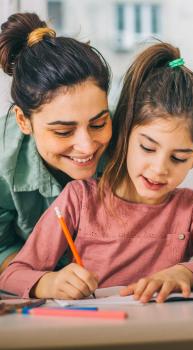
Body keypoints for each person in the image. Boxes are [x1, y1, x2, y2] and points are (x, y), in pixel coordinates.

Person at [0, 42, 193, 303]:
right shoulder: (79, 199)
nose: (160, 169)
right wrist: (49, 282)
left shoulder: (191, 209)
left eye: (179, 157)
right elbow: (12, 273)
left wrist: (185, 273)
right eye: (148, 148)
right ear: (125, 135)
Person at [0, 13, 112, 273]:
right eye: (63, 131)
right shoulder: (3, 159)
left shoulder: (134, 141)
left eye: (98, 124)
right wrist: (41, 280)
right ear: (23, 120)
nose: (86, 146)